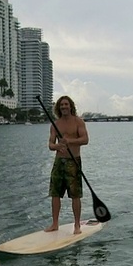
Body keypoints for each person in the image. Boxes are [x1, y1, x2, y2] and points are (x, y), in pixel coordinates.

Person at [45, 96, 89, 235]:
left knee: (75, 195)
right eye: (61, 105)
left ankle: (77, 225)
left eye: (66, 104)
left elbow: (85, 139)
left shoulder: (78, 122)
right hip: (59, 162)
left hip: (73, 161)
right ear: (59, 107)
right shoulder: (55, 124)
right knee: (55, 194)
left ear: (70, 106)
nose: (64, 107)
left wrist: (69, 141)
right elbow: (51, 144)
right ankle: (55, 224)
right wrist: (57, 145)